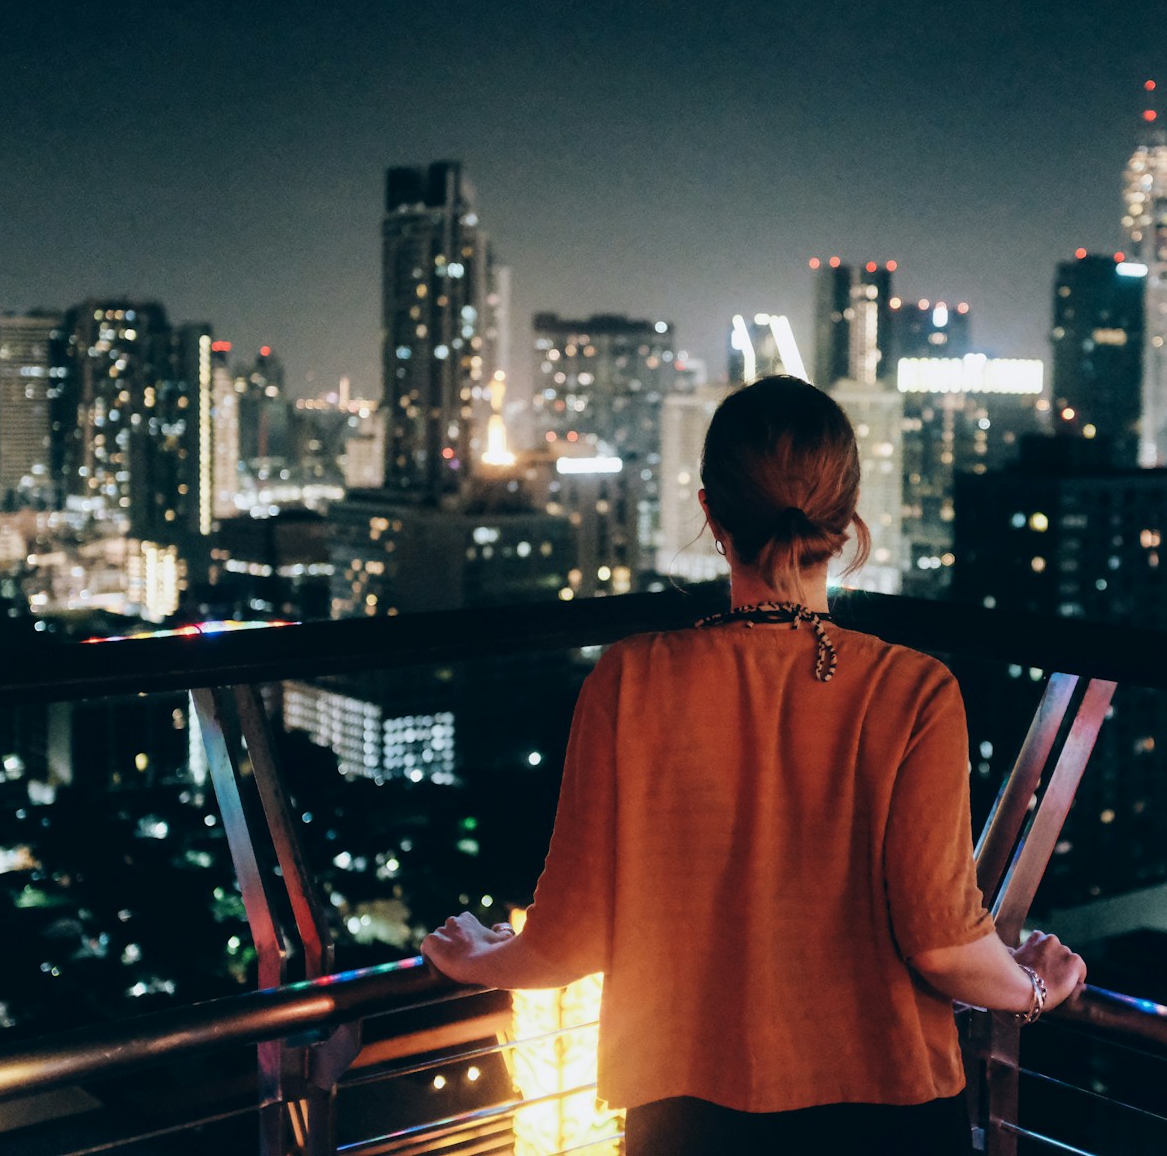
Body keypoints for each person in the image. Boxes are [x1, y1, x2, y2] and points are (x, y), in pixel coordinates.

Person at [419, 375, 1086, 1154]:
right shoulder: (913, 690)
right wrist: (1037, 985)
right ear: (848, 520)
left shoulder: (630, 680)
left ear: (711, 513)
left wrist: (480, 956)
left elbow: (570, 941)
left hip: (688, 1115)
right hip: (889, 1109)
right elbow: (943, 947)